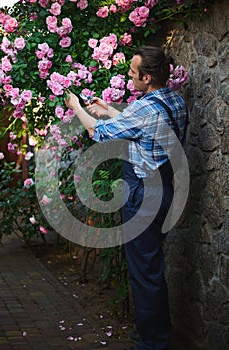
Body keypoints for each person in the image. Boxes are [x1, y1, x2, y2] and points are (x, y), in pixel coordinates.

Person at [64, 46, 188, 350]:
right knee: (150, 265)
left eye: (133, 72)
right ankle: (151, 332)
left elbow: (99, 132)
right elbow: (143, 127)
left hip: (144, 194)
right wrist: (110, 111)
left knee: (145, 271)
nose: (129, 75)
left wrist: (76, 107)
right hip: (164, 190)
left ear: (146, 77)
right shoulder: (173, 100)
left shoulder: (145, 108)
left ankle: (153, 342)